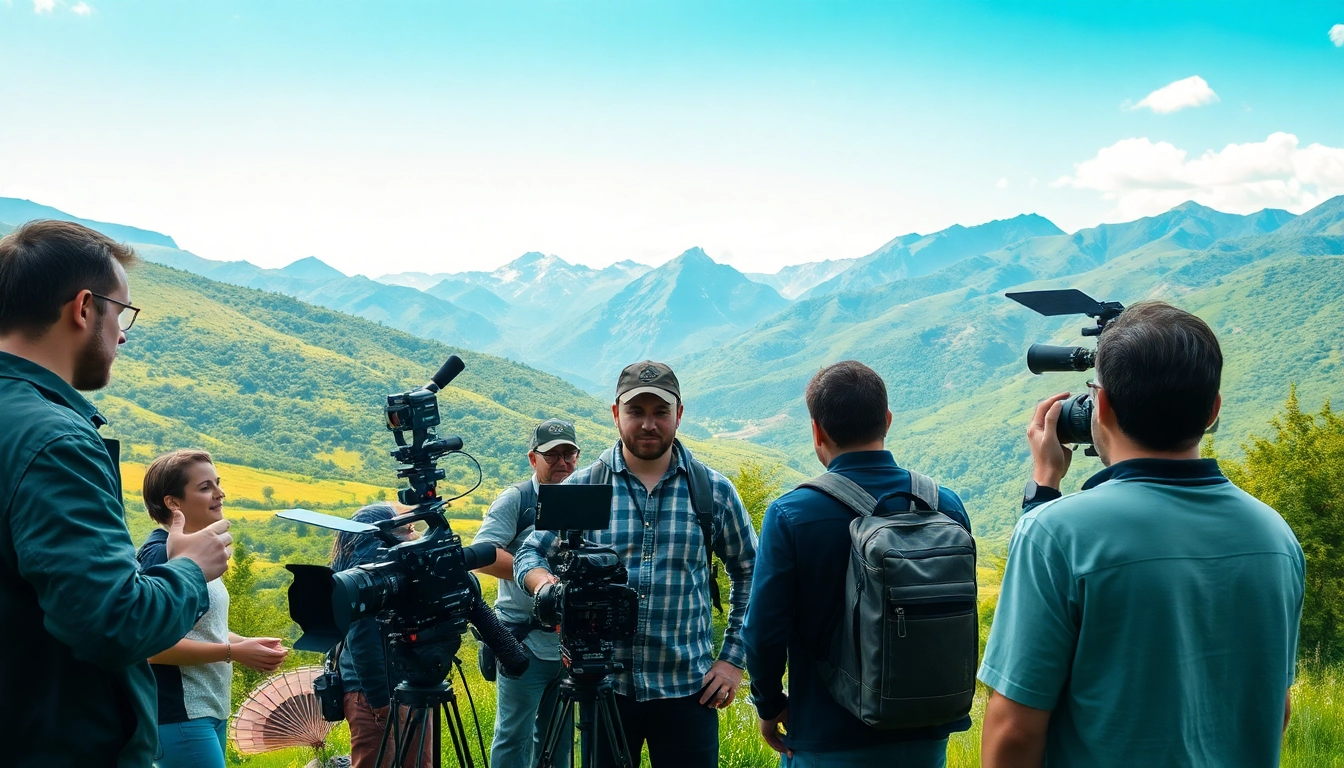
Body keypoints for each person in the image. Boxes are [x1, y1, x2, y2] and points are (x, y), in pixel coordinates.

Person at [978, 301, 1305, 767]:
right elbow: (1276, 705)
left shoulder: (1055, 534)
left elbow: (1014, 729)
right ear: (1212, 411)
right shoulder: (1276, 536)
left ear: (1101, 405)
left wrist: (1044, 488)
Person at [0, 220, 233, 766]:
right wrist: (190, 570)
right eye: (121, 312)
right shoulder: (53, 438)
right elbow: (112, 623)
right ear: (84, 309)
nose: (122, 334)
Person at [515, 360, 758, 768]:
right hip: (602, 689)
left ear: (678, 415)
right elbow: (529, 553)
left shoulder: (712, 492)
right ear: (616, 414)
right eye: (636, 412)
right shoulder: (584, 486)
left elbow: (751, 570)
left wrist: (733, 659)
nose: (648, 424)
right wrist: (546, 589)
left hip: (688, 691)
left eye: (660, 412)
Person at [743, 360, 973, 768]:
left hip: (826, 737)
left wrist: (768, 702)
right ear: (887, 420)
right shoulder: (944, 504)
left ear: (816, 430)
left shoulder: (791, 513)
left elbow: (763, 630)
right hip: (926, 734)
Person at [135, 449, 290, 768]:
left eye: (217, 483)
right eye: (205, 487)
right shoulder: (160, 557)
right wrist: (232, 652)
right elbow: (151, 646)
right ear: (173, 502)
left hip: (208, 709)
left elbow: (198, 627)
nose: (220, 493)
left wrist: (243, 643)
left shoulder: (196, 553)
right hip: (179, 715)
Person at [470, 419, 580, 767]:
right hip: (523, 642)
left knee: (559, 739)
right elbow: (482, 554)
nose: (562, 463)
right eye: (552, 456)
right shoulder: (517, 499)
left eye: (569, 454)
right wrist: (536, 575)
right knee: (513, 737)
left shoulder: (583, 497)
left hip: (570, 646)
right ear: (534, 459)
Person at [330, 502, 434, 768]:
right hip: (373, 696)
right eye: (407, 530)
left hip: (409, 687)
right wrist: (381, 704)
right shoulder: (368, 582)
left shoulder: (392, 574)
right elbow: (363, 643)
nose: (414, 537)